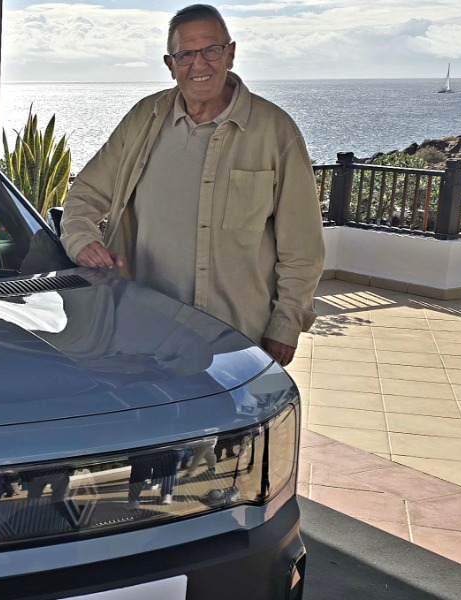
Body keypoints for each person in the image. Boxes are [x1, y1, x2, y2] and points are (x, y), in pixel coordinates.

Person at [58, 4, 324, 366]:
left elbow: (302, 246)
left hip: (238, 337)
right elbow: (84, 196)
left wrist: (286, 324)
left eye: (211, 50)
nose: (199, 65)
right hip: (146, 332)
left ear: (230, 54)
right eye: (186, 54)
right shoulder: (143, 121)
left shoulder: (275, 132)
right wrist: (82, 239)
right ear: (170, 64)